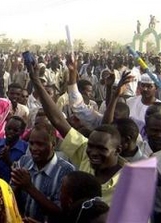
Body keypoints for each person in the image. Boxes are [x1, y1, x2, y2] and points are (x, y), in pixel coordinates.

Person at [27, 58, 124, 205]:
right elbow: (58, 120)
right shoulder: (85, 153)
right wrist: (36, 82)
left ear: (118, 150)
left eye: (102, 149)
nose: (93, 152)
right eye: (91, 146)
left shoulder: (130, 182)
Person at [11, 122, 75, 223]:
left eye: (40, 144)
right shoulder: (24, 161)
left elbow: (61, 212)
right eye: (31, 143)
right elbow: (11, 196)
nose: (34, 148)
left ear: (53, 144)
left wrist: (29, 187)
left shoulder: (66, 171)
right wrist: (17, 186)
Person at [0, 116, 28, 182]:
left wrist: (8, 161)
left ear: (22, 132)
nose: (11, 132)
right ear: (5, 127)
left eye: (15, 130)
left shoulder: (25, 148)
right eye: (8, 128)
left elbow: (24, 174)